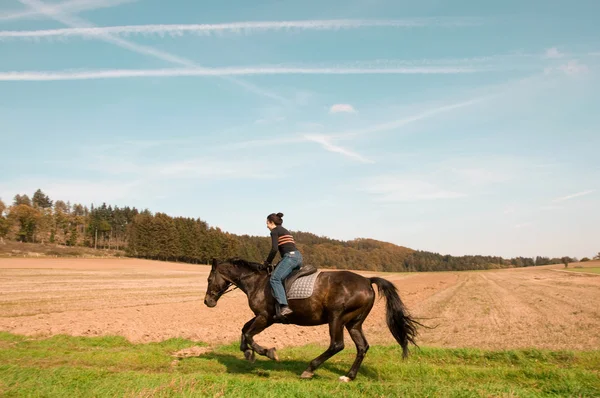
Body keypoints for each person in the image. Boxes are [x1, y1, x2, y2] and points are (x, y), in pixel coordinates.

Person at [263, 212, 303, 317]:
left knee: (274, 279)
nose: (266, 225)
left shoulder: (274, 231)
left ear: (271, 222)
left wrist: (267, 262)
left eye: (267, 223)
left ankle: (284, 306)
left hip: (290, 258)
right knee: (285, 279)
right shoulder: (285, 230)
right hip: (298, 257)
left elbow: (274, 249)